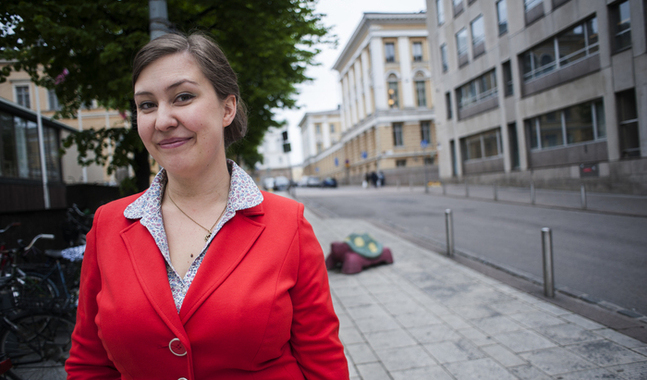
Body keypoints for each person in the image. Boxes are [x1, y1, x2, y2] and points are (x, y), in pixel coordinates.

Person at [66, 32, 349, 380]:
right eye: (147, 105)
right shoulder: (108, 225)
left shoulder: (288, 224)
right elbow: (88, 364)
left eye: (183, 97)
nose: (163, 120)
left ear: (227, 108)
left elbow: (323, 363)